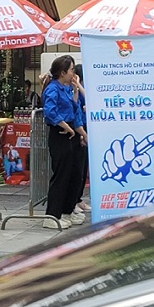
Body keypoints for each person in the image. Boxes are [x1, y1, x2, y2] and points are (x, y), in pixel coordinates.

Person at [41, 55, 88, 230]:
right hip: (60, 134)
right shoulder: (52, 89)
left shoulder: (67, 88)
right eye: (71, 70)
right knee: (61, 175)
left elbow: (75, 110)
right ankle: (53, 214)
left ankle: (67, 211)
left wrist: (80, 132)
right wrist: (66, 126)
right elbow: (50, 112)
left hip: (72, 134)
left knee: (75, 174)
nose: (73, 73)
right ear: (62, 72)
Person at [73, 64, 91, 213]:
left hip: (85, 130)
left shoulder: (83, 88)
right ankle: (74, 200)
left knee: (83, 168)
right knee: (78, 168)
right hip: (80, 131)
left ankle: (78, 199)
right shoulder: (75, 90)